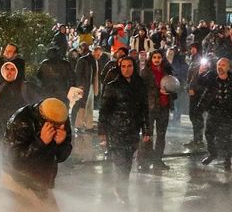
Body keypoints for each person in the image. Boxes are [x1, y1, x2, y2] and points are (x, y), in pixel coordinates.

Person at [99, 57, 150, 203]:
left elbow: (144, 108)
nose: (126, 69)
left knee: (128, 161)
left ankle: (122, 187)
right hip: (116, 129)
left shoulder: (140, 84)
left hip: (133, 129)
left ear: (133, 67)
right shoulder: (112, 86)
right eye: (123, 66)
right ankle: (122, 190)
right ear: (120, 68)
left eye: (129, 66)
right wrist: (102, 131)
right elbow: (104, 110)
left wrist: (146, 130)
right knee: (120, 161)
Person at [139, 49, 175, 171]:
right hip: (150, 107)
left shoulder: (168, 71)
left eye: (159, 57)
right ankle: (144, 161)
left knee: (161, 136)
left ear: (162, 58)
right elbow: (143, 90)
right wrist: (157, 91)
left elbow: (174, 87)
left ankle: (157, 160)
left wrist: (171, 92)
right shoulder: (146, 72)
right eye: (154, 57)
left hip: (164, 107)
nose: (156, 60)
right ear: (151, 58)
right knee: (147, 135)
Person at [197, 58, 232, 170]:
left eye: (223, 65)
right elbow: (200, 82)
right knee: (209, 133)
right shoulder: (211, 77)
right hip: (214, 109)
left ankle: (227, 158)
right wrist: (201, 72)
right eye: (218, 65)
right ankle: (213, 154)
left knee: (226, 136)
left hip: (228, 111)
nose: (220, 67)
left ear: (228, 67)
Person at [72, 45, 108, 131]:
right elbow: (78, 73)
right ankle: (79, 125)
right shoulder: (84, 60)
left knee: (88, 106)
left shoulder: (93, 61)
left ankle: (88, 125)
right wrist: (79, 85)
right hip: (84, 86)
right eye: (98, 54)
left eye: (100, 55)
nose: (98, 56)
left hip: (90, 86)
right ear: (94, 51)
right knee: (81, 105)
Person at [185, 43, 209, 150]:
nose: (192, 50)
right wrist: (188, 88)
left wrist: (195, 89)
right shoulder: (192, 60)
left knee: (197, 117)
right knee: (193, 116)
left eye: (193, 48)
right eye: (191, 48)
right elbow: (189, 77)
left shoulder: (201, 61)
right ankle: (196, 139)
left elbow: (202, 80)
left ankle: (198, 140)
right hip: (192, 93)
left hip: (198, 94)